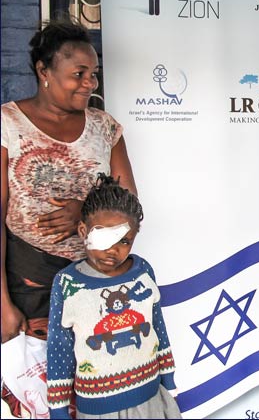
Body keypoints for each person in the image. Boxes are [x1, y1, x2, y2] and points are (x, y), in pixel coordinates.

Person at [1, 16, 136, 415]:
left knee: (95, 387)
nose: (89, 84)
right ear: (44, 71)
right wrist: (1, 302)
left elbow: (128, 202)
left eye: (93, 74)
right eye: (79, 74)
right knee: (39, 394)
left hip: (95, 281)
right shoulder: (8, 124)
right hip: (28, 283)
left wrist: (85, 209)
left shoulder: (104, 127)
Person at [47, 174, 180, 419]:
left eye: (124, 241)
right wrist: (58, 408)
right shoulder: (67, 283)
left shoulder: (143, 271)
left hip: (149, 399)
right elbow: (59, 348)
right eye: (104, 236)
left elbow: (158, 327)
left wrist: (168, 380)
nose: (113, 249)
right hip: (99, 410)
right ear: (83, 230)